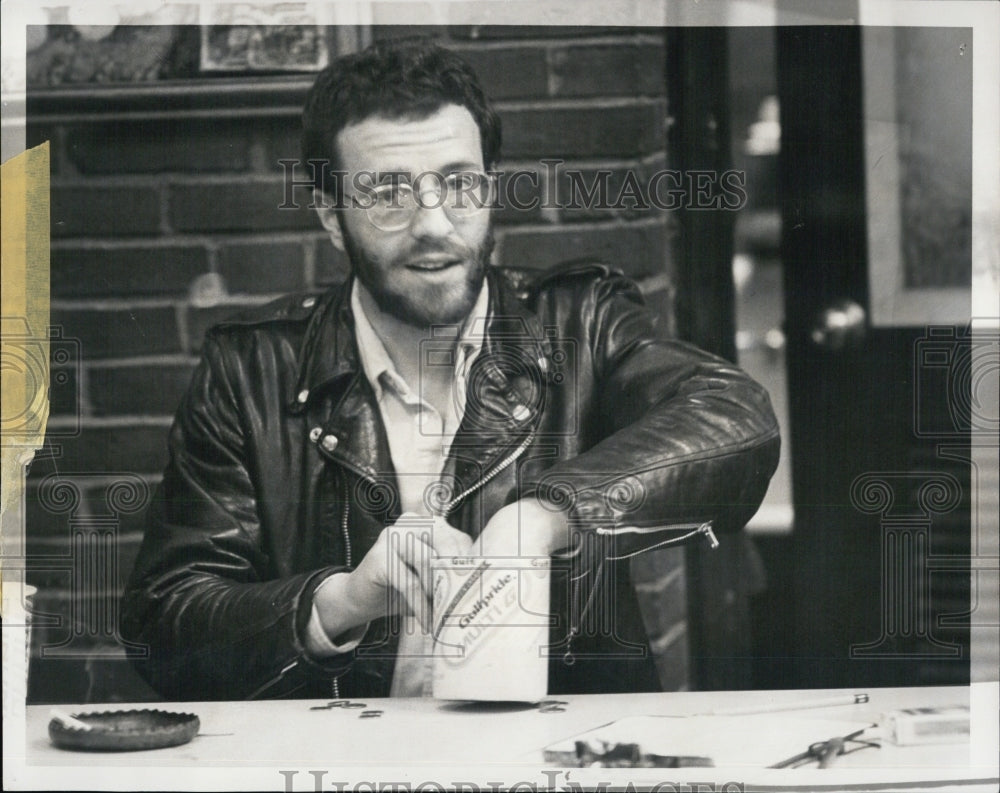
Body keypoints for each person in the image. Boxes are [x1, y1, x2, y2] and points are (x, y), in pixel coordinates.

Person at [121, 39, 780, 701]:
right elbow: (166, 625)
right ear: (330, 214)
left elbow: (736, 419)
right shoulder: (252, 369)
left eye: (459, 184)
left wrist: (545, 516)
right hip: (343, 762)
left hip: (560, 755)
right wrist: (342, 601)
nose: (433, 224)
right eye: (387, 193)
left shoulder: (577, 323)